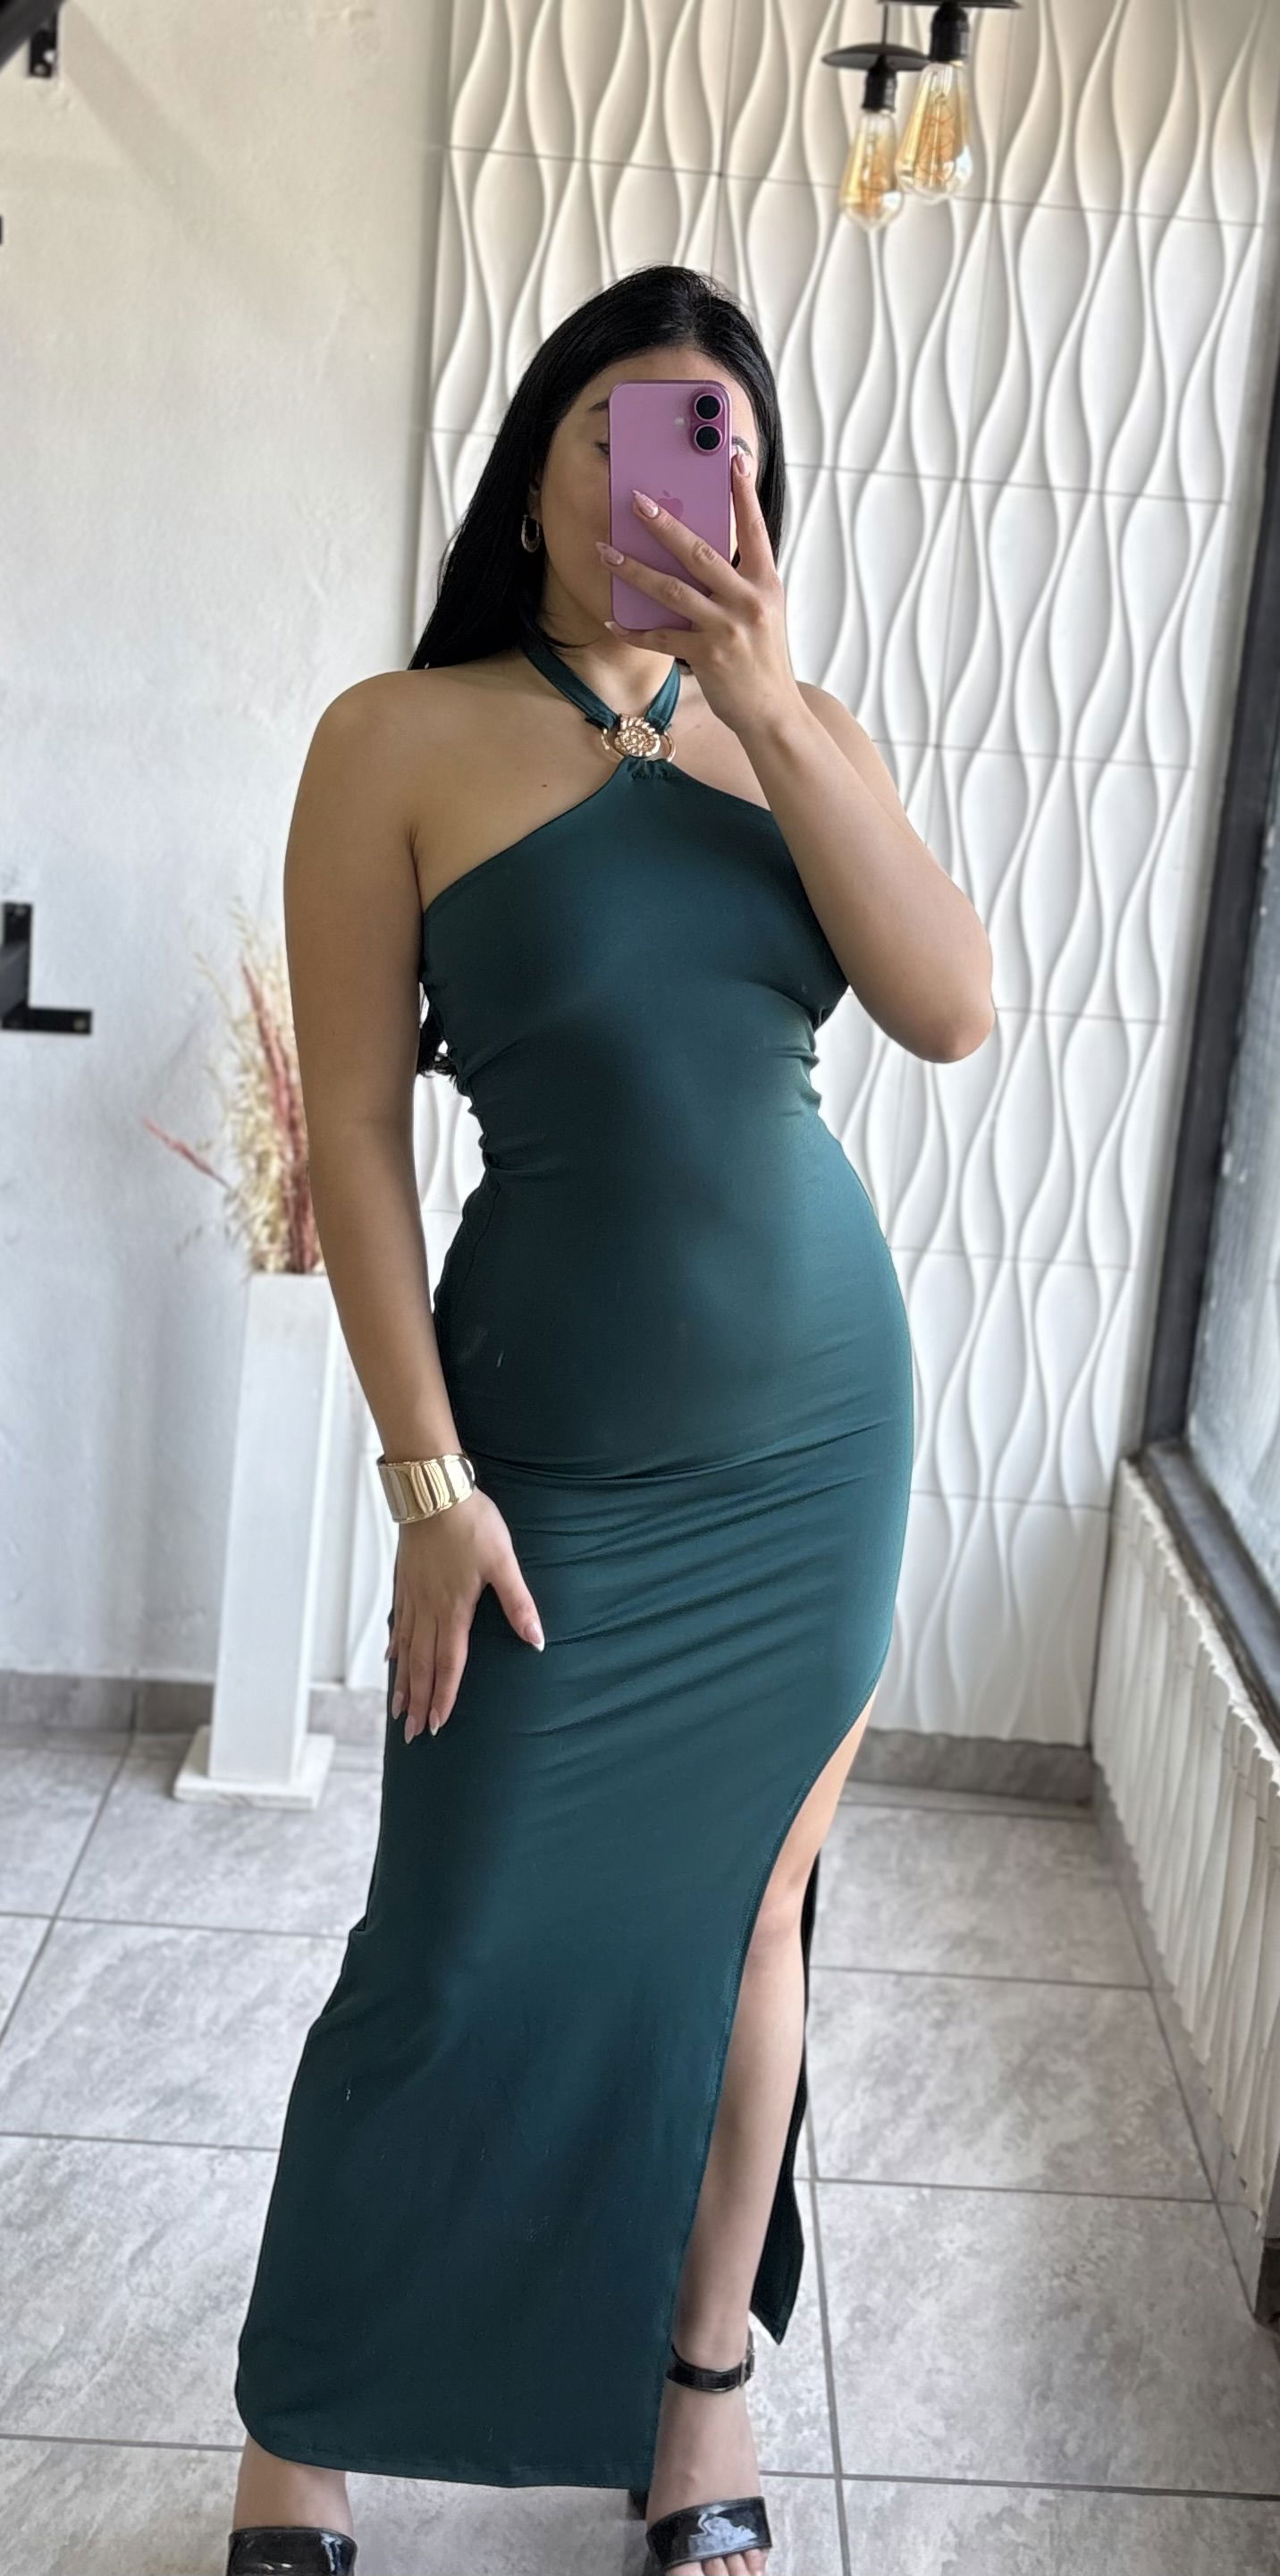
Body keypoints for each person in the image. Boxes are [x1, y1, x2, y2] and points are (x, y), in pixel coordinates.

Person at [223, 262, 993, 2576]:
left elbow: (952, 1005)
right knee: (451, 1942)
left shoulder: (803, 730)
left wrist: (768, 699)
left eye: (721, 440)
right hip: (542, 1440)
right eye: (632, 430)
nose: (680, 477)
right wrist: (426, 1478)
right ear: (543, 466)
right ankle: (300, 2437)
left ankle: (700, 2403)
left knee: (750, 1933)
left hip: (814, 1444)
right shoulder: (396, 738)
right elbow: (360, 1141)